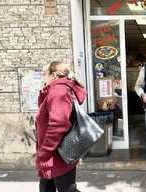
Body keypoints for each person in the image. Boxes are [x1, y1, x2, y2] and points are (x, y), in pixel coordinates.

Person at [36, 61, 86, 192]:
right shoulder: (55, 90)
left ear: (53, 75)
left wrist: (45, 151)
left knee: (67, 190)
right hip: (54, 154)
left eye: (44, 74)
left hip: (57, 155)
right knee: (46, 188)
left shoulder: (59, 91)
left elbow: (59, 124)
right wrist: (44, 91)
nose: (43, 77)